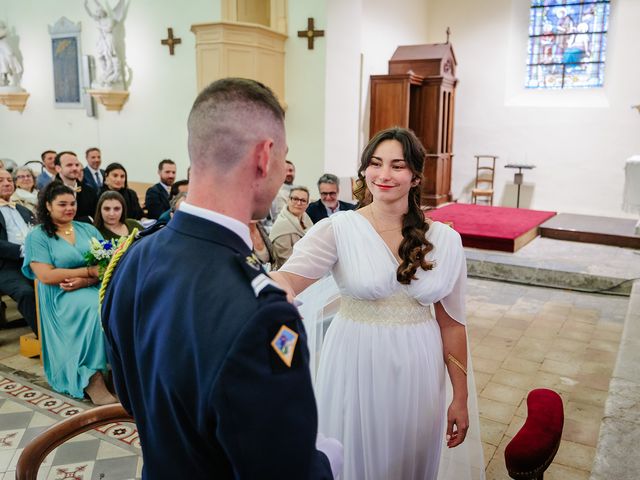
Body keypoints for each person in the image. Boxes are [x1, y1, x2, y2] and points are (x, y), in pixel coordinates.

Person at [101, 77, 342, 479]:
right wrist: (329, 457)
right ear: (265, 156)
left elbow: (130, 392)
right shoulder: (262, 315)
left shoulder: (135, 254)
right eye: (284, 156)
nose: (282, 168)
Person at [271, 127, 483, 480]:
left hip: (419, 365)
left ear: (415, 176)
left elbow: (452, 323)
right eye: (375, 163)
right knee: (351, 457)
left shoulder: (445, 240)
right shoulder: (338, 229)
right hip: (354, 360)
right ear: (364, 170)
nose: (384, 175)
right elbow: (289, 277)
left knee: (408, 458)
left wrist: (459, 397)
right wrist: (270, 286)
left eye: (397, 166)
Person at [22, 182, 116, 405]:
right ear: (47, 205)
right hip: (59, 294)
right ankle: (91, 377)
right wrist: (88, 270)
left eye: (72, 203)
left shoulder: (88, 229)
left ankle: (118, 372)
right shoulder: (38, 236)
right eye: (62, 204)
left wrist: (87, 279)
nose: (69, 208)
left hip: (90, 286)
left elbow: (107, 266)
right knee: (95, 309)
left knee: (120, 305)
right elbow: (45, 275)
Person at [0, 169, 37, 334]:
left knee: (54, 285)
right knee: (26, 293)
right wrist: (23, 250)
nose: (7, 183)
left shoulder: (23, 210)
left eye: (9, 179)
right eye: (1, 180)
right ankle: (45, 337)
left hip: (33, 261)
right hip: (5, 265)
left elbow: (37, 232)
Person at [84, 0, 126, 87]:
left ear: (103, 12)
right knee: (100, 56)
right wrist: (86, 6)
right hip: (101, 40)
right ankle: (106, 72)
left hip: (108, 38)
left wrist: (100, 28)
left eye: (99, 12)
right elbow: (90, 15)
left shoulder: (110, 19)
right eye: (97, 13)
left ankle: (111, 73)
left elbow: (109, 29)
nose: (98, 14)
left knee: (109, 55)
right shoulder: (99, 20)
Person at [269, 186, 314, 270]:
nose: (299, 203)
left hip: (308, 265)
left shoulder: (306, 218)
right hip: (288, 272)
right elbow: (286, 262)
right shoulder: (282, 226)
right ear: (288, 200)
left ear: (307, 204)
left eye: (303, 200)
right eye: (295, 199)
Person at [54, 151, 98, 223]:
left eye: (77, 165)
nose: (75, 168)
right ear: (58, 168)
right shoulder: (49, 192)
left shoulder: (90, 191)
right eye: (69, 165)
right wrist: (86, 219)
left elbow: (96, 217)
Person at [0, 21, 23, 88]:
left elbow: (3, 33)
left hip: (7, 51)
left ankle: (15, 81)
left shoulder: (4, 32)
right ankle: (2, 81)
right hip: (1, 52)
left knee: (12, 66)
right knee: (2, 67)